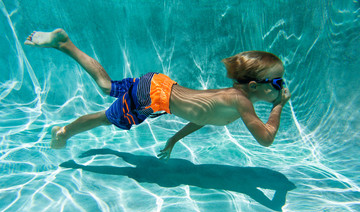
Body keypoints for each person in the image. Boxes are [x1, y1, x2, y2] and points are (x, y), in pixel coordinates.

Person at [25, 28, 291, 160]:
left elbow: (203, 117)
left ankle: (66, 44)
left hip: (157, 85)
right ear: (255, 86)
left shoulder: (230, 100)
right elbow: (266, 139)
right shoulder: (241, 102)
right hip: (153, 97)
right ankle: (63, 133)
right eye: (278, 83)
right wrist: (278, 105)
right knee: (106, 116)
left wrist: (175, 139)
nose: (281, 88)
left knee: (107, 86)